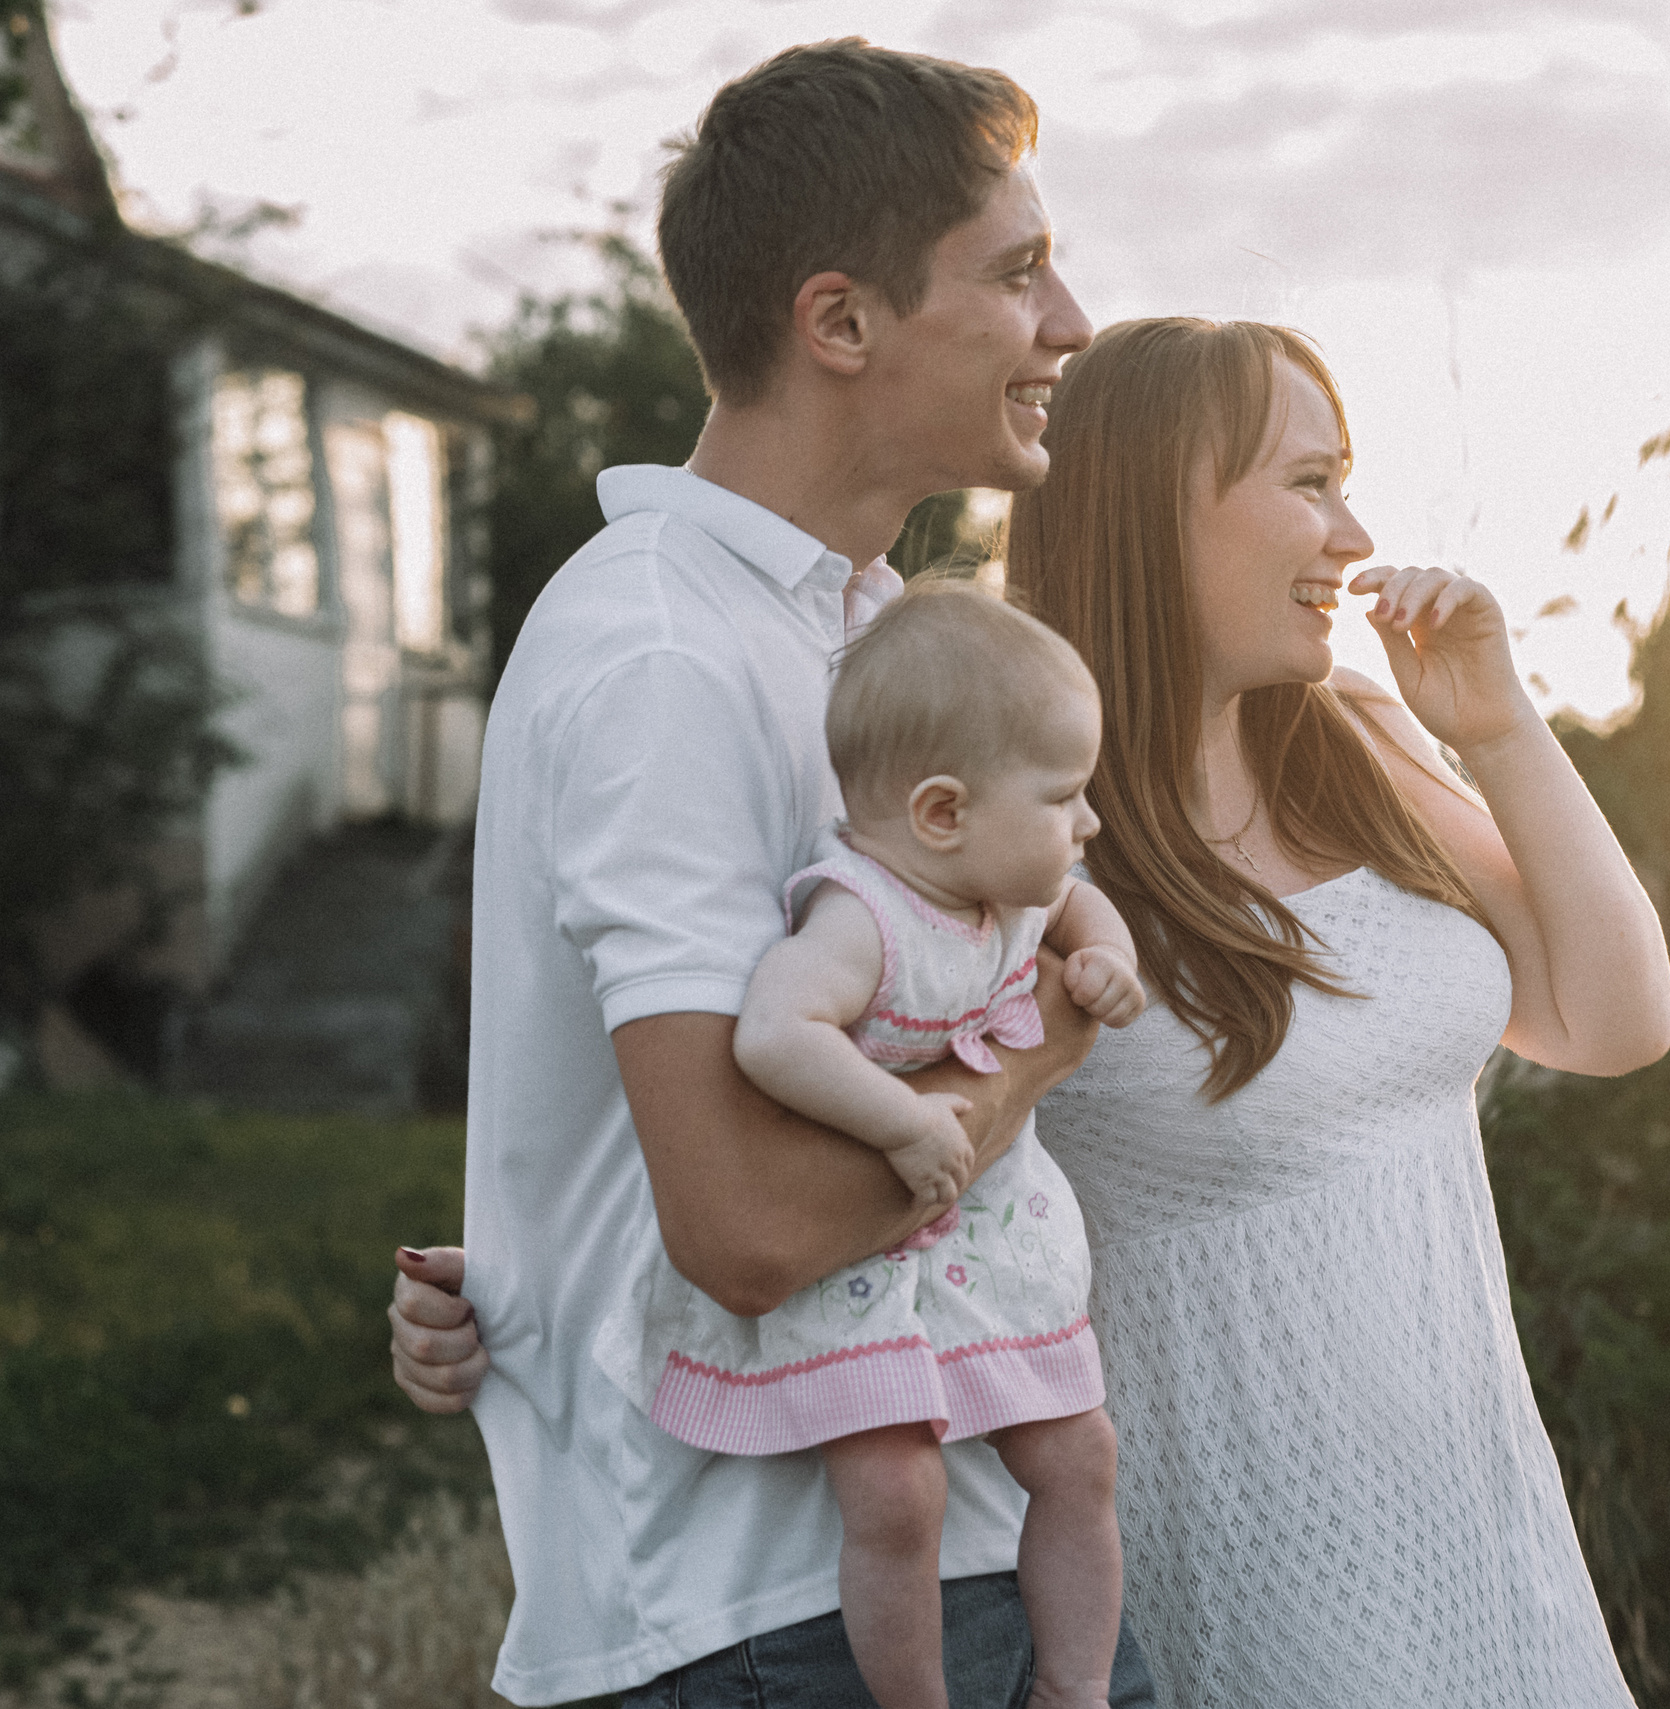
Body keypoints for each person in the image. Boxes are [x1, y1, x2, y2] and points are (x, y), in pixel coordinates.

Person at [402, 311, 1670, 1706]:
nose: (1353, 532)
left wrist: (1496, 725)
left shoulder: (1360, 742)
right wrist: (535, 1284)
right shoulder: (1001, 841)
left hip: (1487, 1527)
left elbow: (1611, 1018)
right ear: (1150, 509)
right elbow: (811, 1090)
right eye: (1307, 485)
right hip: (1226, 1564)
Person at [388, 36, 1158, 1709]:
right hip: (764, 1611)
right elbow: (740, 1229)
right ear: (840, 322)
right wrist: (1040, 1041)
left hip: (951, 1552)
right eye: (1019, 271)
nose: (1071, 322)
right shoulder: (662, 647)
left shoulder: (876, 633)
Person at [596, 582, 1145, 1709]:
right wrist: (899, 1118)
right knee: (896, 1495)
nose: (1086, 824)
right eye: (1065, 796)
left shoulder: (1013, 888)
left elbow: (1084, 906)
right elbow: (773, 1034)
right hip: (860, 1267)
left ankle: (1077, 1684)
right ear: (942, 813)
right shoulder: (861, 917)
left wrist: (1110, 959)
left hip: (980, 1249)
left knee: (1080, 1453)